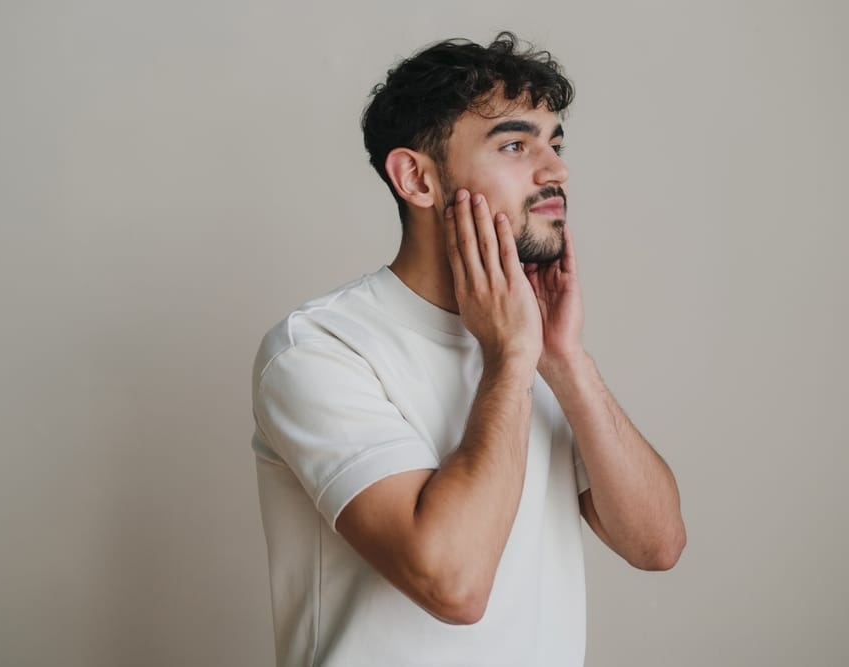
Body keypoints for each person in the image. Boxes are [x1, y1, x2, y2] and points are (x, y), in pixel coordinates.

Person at [250, 31, 685, 667]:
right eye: (516, 144)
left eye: (555, 144)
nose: (556, 169)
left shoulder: (536, 344)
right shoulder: (319, 349)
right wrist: (510, 359)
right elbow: (453, 584)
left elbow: (658, 545)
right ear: (417, 179)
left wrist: (565, 361)